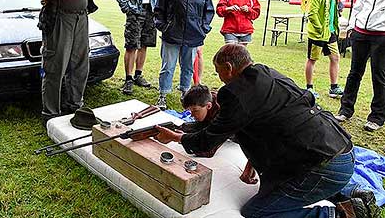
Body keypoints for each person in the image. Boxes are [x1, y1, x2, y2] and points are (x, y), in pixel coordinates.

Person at [155, 44, 375, 218]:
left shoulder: (234, 94)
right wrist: (252, 163)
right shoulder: (268, 73)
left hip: (324, 164)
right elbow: (263, 126)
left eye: (218, 71)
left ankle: (338, 214)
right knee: (289, 181)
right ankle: (351, 192)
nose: (219, 77)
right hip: (341, 149)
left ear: (229, 68)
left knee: (259, 212)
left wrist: (175, 137)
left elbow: (207, 141)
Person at [10, 0, 98, 124]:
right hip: (59, 18)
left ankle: (75, 106)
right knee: (55, 67)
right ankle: (51, 114)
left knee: (80, 66)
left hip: (81, 18)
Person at [154, 0, 214, 110]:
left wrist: (203, 28)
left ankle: (185, 92)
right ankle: (163, 94)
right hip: (172, 33)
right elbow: (159, 8)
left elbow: (209, 10)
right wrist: (163, 26)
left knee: (188, 66)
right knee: (168, 66)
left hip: (193, 34)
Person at [335, 0, 385, 132]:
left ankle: (377, 117)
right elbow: (358, 5)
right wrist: (350, 26)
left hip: (381, 35)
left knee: (379, 76)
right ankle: (345, 109)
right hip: (360, 32)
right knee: (354, 72)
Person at [305, 0, 345, 99]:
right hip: (318, 33)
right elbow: (312, 13)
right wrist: (319, 28)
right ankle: (309, 88)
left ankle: (334, 88)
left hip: (330, 32)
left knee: (335, 57)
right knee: (312, 59)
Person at [189, 0, 212, 85]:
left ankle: (197, 82)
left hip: (199, 17)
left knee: (198, 51)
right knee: (185, 54)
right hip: (185, 17)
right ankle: (185, 80)